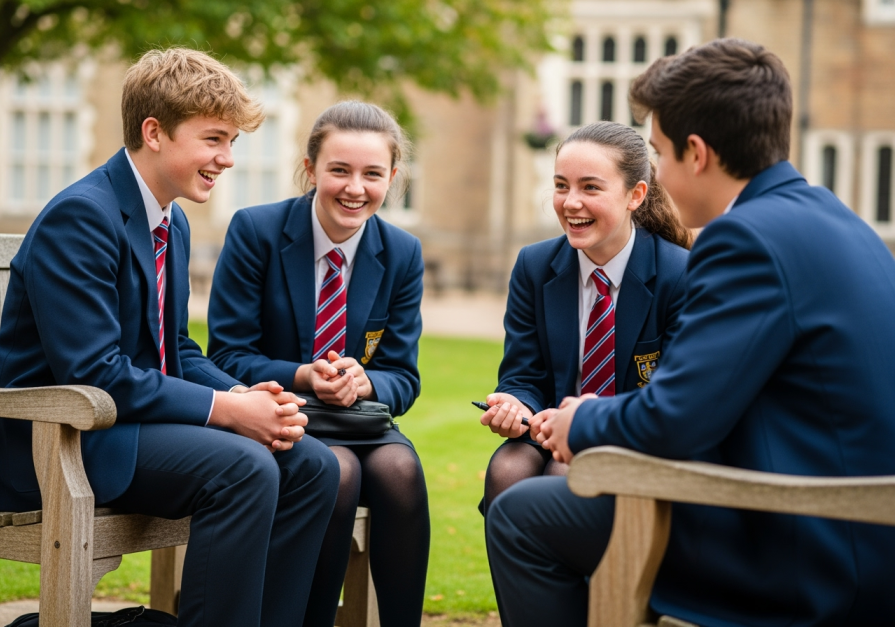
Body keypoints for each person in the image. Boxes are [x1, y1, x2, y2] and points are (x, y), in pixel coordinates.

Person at [486, 38, 895, 627]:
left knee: (521, 515)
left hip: (801, 548)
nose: (661, 172)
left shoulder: (743, 240)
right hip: (861, 534)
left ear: (696, 152)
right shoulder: (836, 218)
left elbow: (676, 419)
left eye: (659, 152)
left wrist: (582, 421)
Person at [0, 48, 340, 627]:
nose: (227, 159)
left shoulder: (170, 218)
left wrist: (246, 396)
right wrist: (228, 411)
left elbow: (175, 350)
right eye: (214, 139)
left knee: (312, 464)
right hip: (60, 440)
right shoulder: (82, 216)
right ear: (154, 132)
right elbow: (96, 372)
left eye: (231, 142)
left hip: (127, 425)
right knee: (243, 468)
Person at [207, 100, 429, 627]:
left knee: (400, 470)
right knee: (339, 470)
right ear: (310, 170)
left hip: (356, 419)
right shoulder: (255, 232)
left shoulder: (402, 252)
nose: (355, 187)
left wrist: (365, 379)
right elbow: (226, 355)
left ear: (392, 177)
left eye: (372, 173)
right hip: (278, 417)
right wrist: (301, 375)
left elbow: (404, 376)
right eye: (339, 170)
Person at [478, 121, 690, 515]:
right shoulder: (534, 265)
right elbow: (524, 374)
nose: (570, 202)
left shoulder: (679, 274)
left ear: (635, 195)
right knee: (507, 470)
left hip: (632, 437)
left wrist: (585, 423)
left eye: (590, 187)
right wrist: (515, 404)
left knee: (565, 471)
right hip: (548, 431)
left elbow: (674, 398)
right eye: (561, 186)